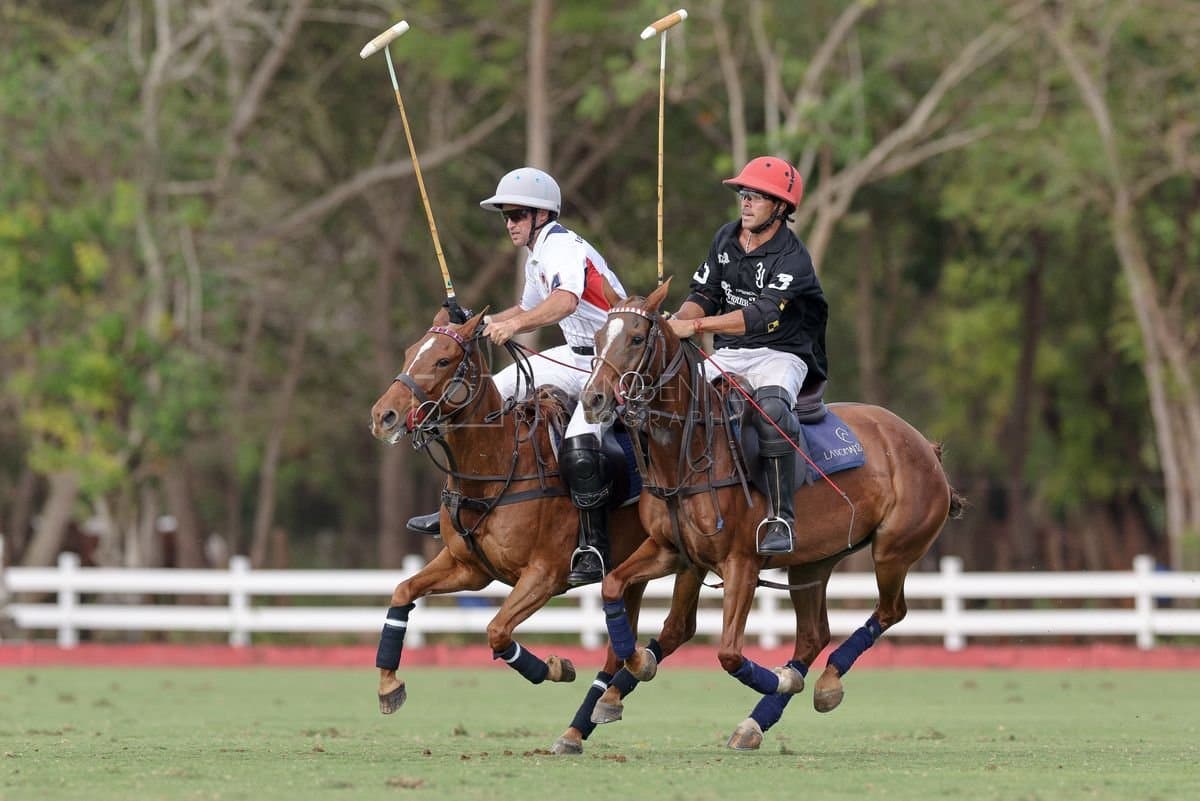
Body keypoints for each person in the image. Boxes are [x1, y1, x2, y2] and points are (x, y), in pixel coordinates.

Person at [408, 167, 626, 586]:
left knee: (581, 443)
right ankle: (456, 507)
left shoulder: (561, 247)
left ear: (541, 216)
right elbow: (522, 311)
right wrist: (469, 324)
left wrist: (514, 328)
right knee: (484, 400)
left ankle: (593, 544)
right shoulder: (537, 255)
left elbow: (564, 301)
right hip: (571, 356)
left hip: (607, 364)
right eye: (506, 216)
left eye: (517, 215)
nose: (509, 224)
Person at [665, 156, 828, 555]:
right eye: (744, 194)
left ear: (781, 208)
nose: (746, 202)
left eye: (758, 196)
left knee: (772, 411)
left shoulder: (794, 258)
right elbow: (703, 294)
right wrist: (678, 320)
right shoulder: (726, 238)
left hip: (781, 353)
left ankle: (780, 517)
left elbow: (762, 316)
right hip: (731, 353)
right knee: (668, 398)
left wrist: (698, 328)